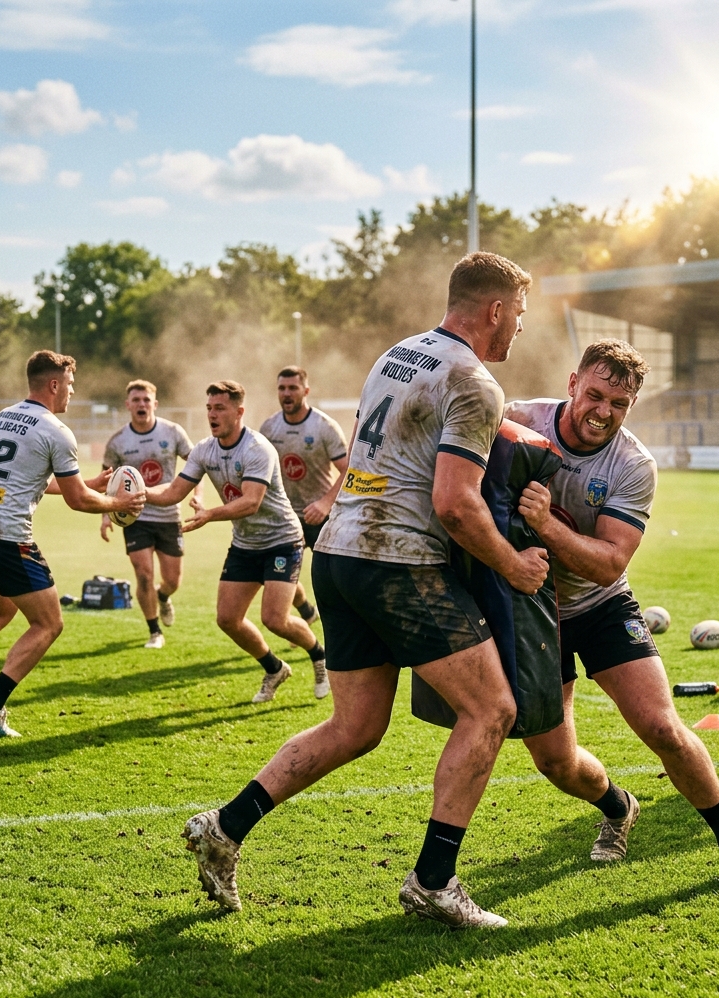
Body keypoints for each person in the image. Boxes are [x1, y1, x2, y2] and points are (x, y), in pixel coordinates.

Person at [180, 251, 550, 929]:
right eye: (518, 315)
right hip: (398, 561)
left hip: (339, 555)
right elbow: (456, 505)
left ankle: (225, 827)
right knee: (492, 710)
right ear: (495, 309)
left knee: (355, 726)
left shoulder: (399, 355)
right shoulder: (475, 379)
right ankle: (434, 882)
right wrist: (514, 565)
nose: (519, 330)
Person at [508, 338, 719, 894]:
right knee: (555, 763)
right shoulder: (515, 420)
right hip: (535, 611)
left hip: (604, 606)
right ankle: (617, 806)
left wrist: (546, 526)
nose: (603, 412)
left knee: (664, 728)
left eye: (619, 404)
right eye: (595, 395)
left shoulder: (633, 464)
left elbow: (609, 564)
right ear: (572, 384)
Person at [0, 350, 145, 738]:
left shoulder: (4, 418)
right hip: (5, 535)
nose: (72, 393)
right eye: (70, 385)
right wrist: (119, 503)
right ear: (54, 384)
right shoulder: (56, 431)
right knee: (49, 622)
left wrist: (91, 485)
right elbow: (79, 502)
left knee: (1, 608)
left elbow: (30, 480)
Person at [143, 380, 329, 702]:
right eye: (209, 408)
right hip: (246, 544)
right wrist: (137, 495)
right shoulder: (204, 450)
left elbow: (251, 502)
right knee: (227, 619)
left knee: (275, 619)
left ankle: (319, 657)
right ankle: (274, 668)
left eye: (220, 408)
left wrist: (209, 515)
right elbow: (173, 492)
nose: (212, 415)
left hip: (281, 540)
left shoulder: (258, 448)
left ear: (239, 411)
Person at [101, 379, 199, 649]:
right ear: (128, 405)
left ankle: (164, 597)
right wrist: (105, 514)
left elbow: (195, 465)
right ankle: (154, 631)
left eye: (146, 400)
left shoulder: (173, 432)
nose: (141, 405)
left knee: (172, 580)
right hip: (135, 517)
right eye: (136, 400)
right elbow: (106, 481)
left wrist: (197, 495)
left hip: (169, 515)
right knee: (144, 573)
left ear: (154, 404)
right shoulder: (118, 441)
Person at [259, 366, 349, 624]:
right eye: (282, 388)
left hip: (319, 517)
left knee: (332, 581)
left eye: (293, 388)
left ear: (305, 391)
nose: (286, 393)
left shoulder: (324, 426)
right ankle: (307, 613)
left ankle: (341, 629)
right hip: (284, 517)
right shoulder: (270, 427)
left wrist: (325, 502)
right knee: (276, 576)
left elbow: (348, 470)